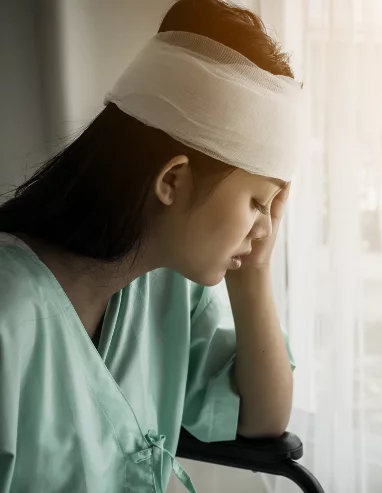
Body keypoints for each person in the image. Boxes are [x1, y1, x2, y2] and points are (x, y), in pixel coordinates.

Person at [0, 1, 302, 491]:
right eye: (256, 201)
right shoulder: (9, 312)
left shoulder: (166, 286)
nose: (266, 228)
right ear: (173, 179)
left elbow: (260, 418)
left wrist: (254, 273)